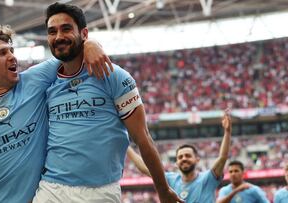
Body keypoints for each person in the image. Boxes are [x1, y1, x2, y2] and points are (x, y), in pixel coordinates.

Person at [0, 24, 113, 203]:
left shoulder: (34, 81)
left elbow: (71, 51)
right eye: (3, 53)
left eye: (11, 50)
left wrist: (90, 43)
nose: (12, 57)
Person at [32, 2, 183, 203]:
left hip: (101, 192)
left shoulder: (114, 76)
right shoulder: (45, 81)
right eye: (52, 31)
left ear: (84, 34)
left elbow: (142, 138)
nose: (58, 37)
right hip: (51, 189)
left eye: (66, 29)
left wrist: (163, 190)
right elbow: (9, 85)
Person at [128, 111, 232, 203]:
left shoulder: (208, 178)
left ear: (197, 159)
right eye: (180, 157)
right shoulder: (170, 179)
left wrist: (227, 132)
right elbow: (144, 167)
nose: (184, 159)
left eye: (188, 156)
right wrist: (126, 147)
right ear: (176, 163)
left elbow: (222, 157)